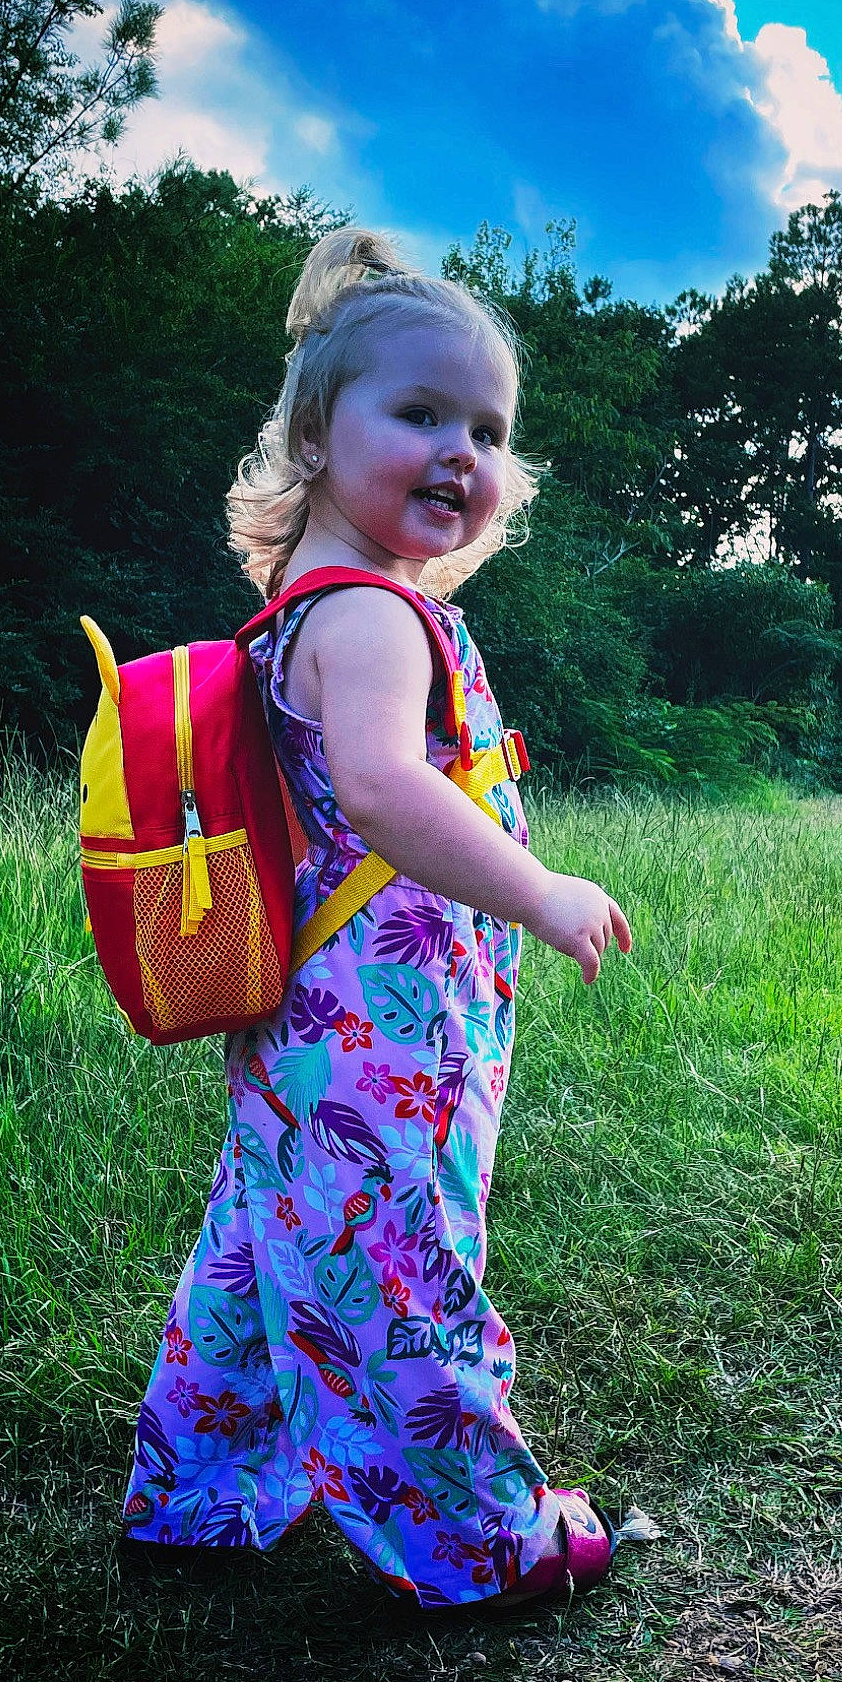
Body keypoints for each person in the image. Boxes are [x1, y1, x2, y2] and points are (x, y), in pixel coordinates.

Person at [120, 226, 633, 1609]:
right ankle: (481, 1537)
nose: (461, 450)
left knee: (269, 1232)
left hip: (315, 1021)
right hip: (379, 1040)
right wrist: (544, 891)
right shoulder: (370, 617)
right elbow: (384, 789)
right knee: (396, 1258)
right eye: (419, 414)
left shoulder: (311, 606)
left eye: (487, 428)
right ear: (312, 431)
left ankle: (202, 1489)